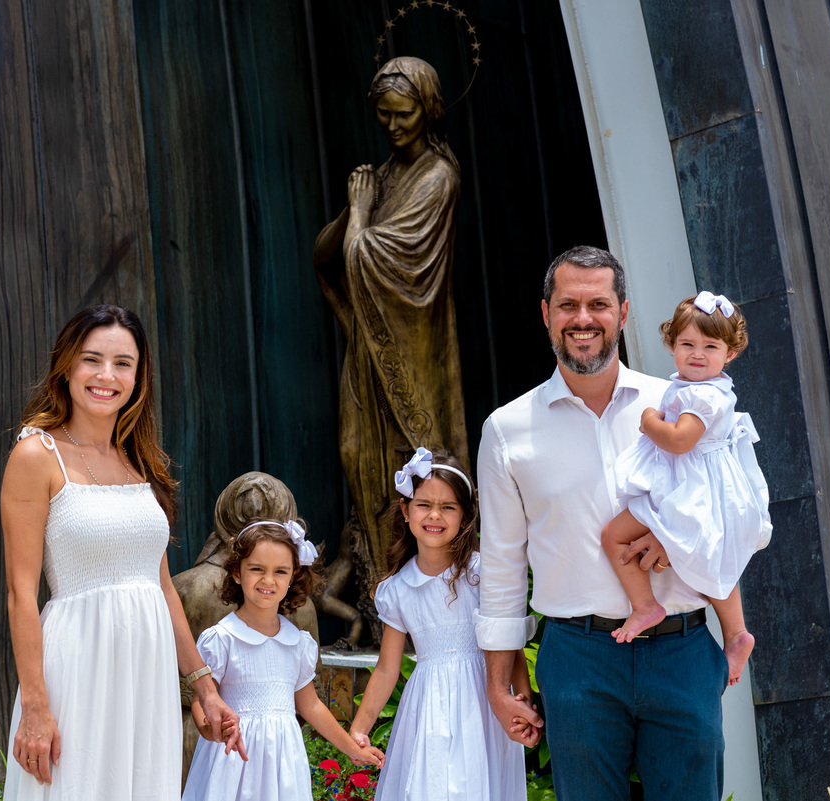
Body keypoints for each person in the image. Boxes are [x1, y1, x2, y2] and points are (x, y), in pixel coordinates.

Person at [477, 246, 730, 800]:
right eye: (568, 305)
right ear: (546, 314)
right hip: (578, 656)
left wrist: (676, 536)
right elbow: (499, 566)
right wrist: (499, 681)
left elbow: (743, 515)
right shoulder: (506, 430)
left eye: (599, 304)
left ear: (623, 312)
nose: (583, 319)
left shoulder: (681, 406)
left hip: (681, 649)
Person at [0, 305, 245, 800]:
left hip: (145, 674)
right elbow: (20, 594)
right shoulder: (36, 455)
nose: (106, 376)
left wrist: (204, 687)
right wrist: (35, 706)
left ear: (139, 375)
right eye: (92, 359)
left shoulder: (140, 461)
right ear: (66, 366)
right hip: (76, 668)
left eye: (123, 363)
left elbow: (161, 588)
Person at [312, 56, 469, 586]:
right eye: (384, 117)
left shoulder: (438, 177)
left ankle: (415, 581)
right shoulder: (384, 175)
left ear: (427, 110)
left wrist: (359, 214)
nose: (394, 127)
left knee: (408, 462)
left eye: (403, 114)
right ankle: (379, 589)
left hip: (410, 351)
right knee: (357, 454)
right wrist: (351, 212)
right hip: (367, 348)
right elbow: (330, 255)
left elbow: (378, 258)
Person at [602, 291, 771, 685]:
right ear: (671, 344)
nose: (697, 354)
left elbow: (680, 440)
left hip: (696, 489)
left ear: (730, 353)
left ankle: (646, 605)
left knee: (614, 536)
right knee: (710, 562)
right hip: (694, 484)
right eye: (687, 344)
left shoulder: (705, 394)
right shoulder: (692, 387)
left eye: (710, 346)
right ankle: (736, 633)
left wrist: (647, 419)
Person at [351, 447, 528, 800]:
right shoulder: (397, 588)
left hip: (484, 703)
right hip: (428, 704)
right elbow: (387, 669)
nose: (435, 515)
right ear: (405, 510)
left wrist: (520, 703)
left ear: (465, 516)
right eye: (424, 504)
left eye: (448, 507)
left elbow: (509, 644)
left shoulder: (483, 573)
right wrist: (359, 728)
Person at [181, 520, 384, 801]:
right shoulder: (222, 639)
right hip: (233, 760)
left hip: (282, 764)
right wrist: (209, 727)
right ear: (237, 573)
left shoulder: (298, 644)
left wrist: (352, 747)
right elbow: (201, 698)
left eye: (280, 571)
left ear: (292, 577)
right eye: (256, 569)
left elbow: (311, 705)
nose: (268, 580)